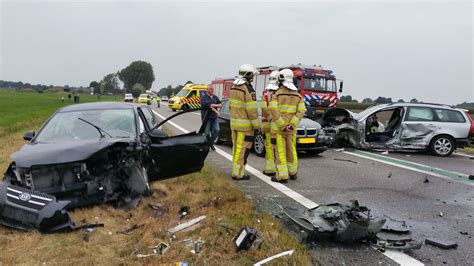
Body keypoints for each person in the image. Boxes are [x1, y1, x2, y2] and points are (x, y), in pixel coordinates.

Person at [269, 69, 306, 183]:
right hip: (291, 130)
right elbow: (301, 112)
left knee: (280, 152)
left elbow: (273, 110)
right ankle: (293, 173)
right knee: (291, 151)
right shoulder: (298, 96)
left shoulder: (277, 95)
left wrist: (282, 125)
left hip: (279, 130)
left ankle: (282, 176)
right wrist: (292, 125)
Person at [229, 64, 260, 180]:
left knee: (236, 149)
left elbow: (231, 107)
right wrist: (257, 127)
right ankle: (237, 173)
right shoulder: (248, 89)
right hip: (245, 127)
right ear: (248, 75)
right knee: (242, 150)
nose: (252, 77)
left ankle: (237, 170)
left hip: (234, 125)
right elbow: (252, 111)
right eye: (251, 74)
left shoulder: (233, 87)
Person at [261, 70, 279, 176]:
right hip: (276, 123)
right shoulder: (279, 92)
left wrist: (268, 118)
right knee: (277, 146)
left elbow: (263, 107)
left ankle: (269, 169)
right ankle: (278, 168)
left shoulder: (265, 92)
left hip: (266, 122)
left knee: (268, 146)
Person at [200, 85, 222, 151]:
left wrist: (215, 105)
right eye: (211, 89)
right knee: (206, 133)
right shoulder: (203, 98)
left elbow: (220, 104)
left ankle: (210, 143)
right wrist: (216, 111)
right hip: (207, 118)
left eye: (213, 89)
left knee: (217, 130)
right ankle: (207, 145)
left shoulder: (215, 97)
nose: (212, 90)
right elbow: (210, 106)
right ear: (207, 90)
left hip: (214, 117)